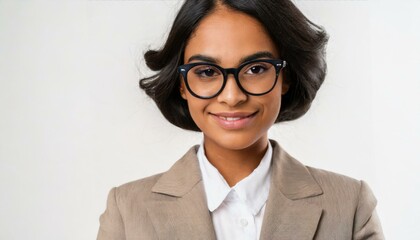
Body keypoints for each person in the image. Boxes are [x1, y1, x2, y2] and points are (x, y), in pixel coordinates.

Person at [97, 0, 384, 239]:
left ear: (285, 77)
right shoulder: (127, 212)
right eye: (207, 72)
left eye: (256, 68)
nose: (232, 97)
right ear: (182, 84)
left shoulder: (350, 206)